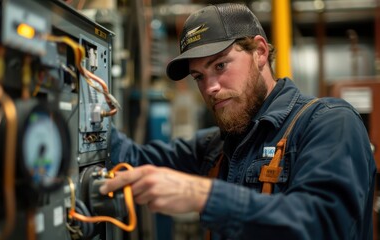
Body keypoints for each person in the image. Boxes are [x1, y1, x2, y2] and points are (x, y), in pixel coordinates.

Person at [100, 3, 377, 239]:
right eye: (199, 77)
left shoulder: (328, 123)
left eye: (220, 65)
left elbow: (325, 225)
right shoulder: (216, 146)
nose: (210, 87)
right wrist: (82, 105)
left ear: (259, 52)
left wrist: (205, 196)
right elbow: (131, 159)